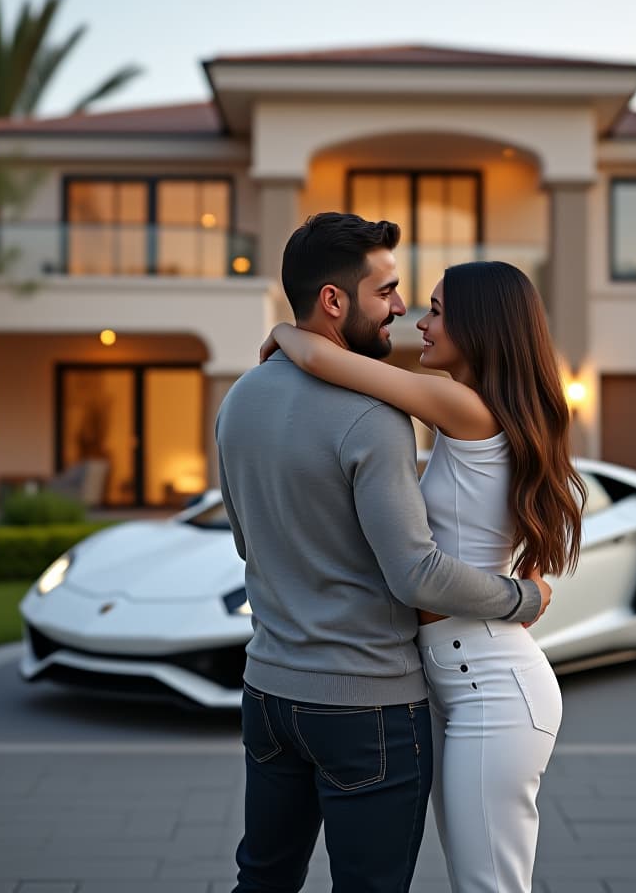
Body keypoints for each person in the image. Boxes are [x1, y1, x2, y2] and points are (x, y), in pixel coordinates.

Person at [215, 212, 549, 893]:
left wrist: (283, 332)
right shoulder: (376, 417)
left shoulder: (240, 397)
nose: (403, 311)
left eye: (422, 304)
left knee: (264, 878)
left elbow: (247, 543)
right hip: (366, 701)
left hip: (270, 689)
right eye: (390, 292)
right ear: (335, 301)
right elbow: (415, 573)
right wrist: (526, 596)